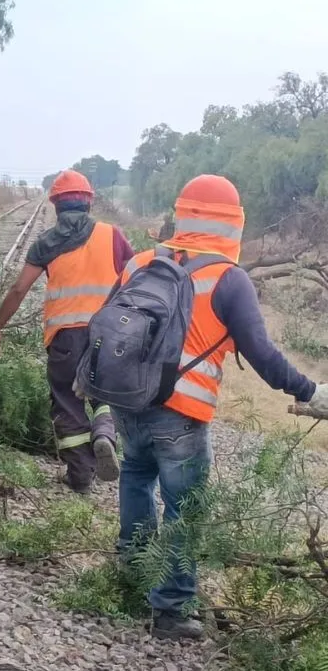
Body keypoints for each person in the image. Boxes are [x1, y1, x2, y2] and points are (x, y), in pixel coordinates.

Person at [110, 174, 328, 640]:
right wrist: (310, 391)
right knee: (185, 509)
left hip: (130, 403)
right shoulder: (229, 278)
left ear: (182, 215)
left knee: (135, 476)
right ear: (233, 226)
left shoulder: (140, 262)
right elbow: (262, 354)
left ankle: (133, 575)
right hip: (182, 415)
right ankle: (168, 610)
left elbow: (106, 328)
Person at [0, 170, 134, 494]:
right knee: (105, 393)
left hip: (65, 337)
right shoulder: (113, 235)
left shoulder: (46, 243)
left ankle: (80, 477)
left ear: (55, 206)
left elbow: (19, 288)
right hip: (107, 332)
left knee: (67, 401)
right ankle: (105, 435)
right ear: (89, 202)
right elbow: (136, 277)